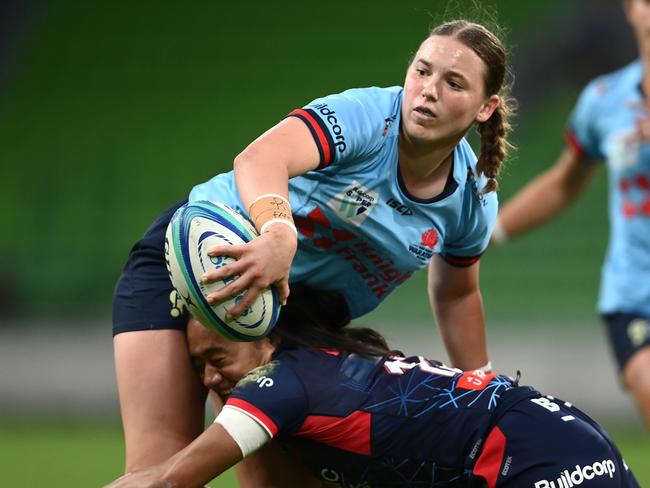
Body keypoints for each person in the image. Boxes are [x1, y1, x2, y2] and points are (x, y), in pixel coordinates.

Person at [112, 19, 515, 472]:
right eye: (421, 71)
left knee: (288, 481)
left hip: (299, 318)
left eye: (453, 82)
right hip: (201, 261)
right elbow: (261, 158)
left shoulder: (473, 197)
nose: (429, 89)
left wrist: (482, 386)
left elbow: (456, 292)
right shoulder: (366, 116)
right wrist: (279, 233)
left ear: (486, 107)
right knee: (161, 471)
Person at [106, 287, 640, 488]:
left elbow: (173, 481)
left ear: (261, 333)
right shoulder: (318, 361)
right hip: (561, 435)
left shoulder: (276, 386)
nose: (207, 379)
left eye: (214, 357)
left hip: (534, 457)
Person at [492, 0, 650, 428]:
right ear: (631, 9)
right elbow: (563, 183)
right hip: (635, 297)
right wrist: (490, 232)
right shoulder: (605, 99)